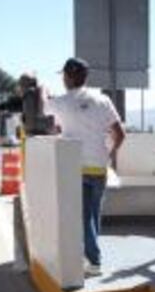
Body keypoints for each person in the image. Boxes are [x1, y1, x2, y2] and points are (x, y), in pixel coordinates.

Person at [47, 58, 126, 277]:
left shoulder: (60, 102)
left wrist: (40, 89)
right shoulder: (103, 100)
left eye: (63, 75)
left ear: (69, 77)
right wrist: (109, 155)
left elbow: (39, 110)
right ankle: (90, 257)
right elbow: (120, 135)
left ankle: (94, 260)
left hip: (75, 168)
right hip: (99, 168)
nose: (63, 79)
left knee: (84, 217)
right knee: (93, 215)